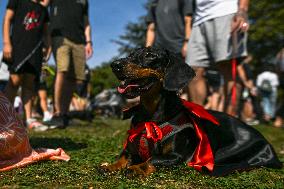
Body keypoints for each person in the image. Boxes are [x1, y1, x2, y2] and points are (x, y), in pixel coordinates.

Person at [186, 0, 249, 116]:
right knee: (192, 71)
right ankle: (200, 121)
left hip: (226, 12)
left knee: (227, 67)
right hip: (199, 19)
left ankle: (230, 123)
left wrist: (242, 10)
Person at [2, 0, 51, 129]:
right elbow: (7, 20)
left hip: (35, 50)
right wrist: (7, 42)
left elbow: (46, 32)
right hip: (18, 46)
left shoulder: (43, 10)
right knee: (14, 81)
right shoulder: (17, 1)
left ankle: (29, 119)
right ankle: (4, 119)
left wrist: (48, 46)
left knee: (29, 84)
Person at [46, 0, 93, 127]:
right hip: (60, 37)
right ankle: (57, 113)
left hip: (79, 40)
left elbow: (86, 22)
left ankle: (65, 114)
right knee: (62, 70)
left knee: (74, 78)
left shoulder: (84, 1)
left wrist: (89, 42)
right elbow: (42, 5)